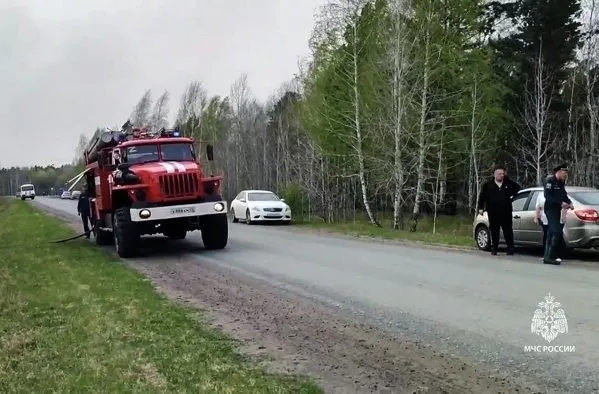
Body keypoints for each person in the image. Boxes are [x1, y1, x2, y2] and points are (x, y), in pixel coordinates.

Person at [477, 166, 521, 255]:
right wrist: (480, 207)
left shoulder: (508, 184)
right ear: (495, 175)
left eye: (503, 174)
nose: (501, 176)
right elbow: (482, 197)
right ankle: (494, 248)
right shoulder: (488, 185)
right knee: (494, 230)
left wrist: (508, 180)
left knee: (508, 230)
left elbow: (517, 188)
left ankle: (510, 248)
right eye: (499, 174)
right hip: (493, 211)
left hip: (506, 211)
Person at [543, 164, 573, 265]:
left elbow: (563, 194)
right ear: (559, 172)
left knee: (551, 233)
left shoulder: (561, 183)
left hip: (557, 210)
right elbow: (548, 196)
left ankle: (547, 257)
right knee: (557, 232)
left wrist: (569, 202)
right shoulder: (550, 181)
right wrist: (560, 203)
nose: (565, 175)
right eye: (564, 173)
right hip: (550, 209)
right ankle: (551, 257)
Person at [534, 190, 567, 262]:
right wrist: (537, 217)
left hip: (557, 218)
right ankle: (546, 255)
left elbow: (564, 205)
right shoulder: (541, 194)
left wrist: (564, 217)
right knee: (546, 236)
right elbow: (537, 206)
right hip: (545, 219)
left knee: (556, 237)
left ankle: (556, 255)